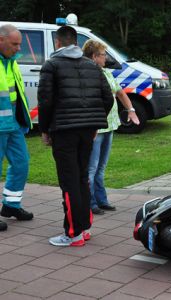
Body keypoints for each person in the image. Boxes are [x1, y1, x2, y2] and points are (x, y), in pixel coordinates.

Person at [38, 26, 114, 246]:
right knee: (82, 178)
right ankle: (83, 227)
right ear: (76, 42)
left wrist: (45, 129)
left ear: (58, 43)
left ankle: (73, 233)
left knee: (69, 182)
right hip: (87, 131)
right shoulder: (92, 66)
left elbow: (45, 101)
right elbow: (107, 98)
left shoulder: (51, 65)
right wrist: (95, 124)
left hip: (64, 131)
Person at [82, 39, 139, 215]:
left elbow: (120, 93)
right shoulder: (86, 74)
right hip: (97, 128)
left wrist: (131, 110)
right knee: (91, 168)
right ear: (93, 57)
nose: (105, 58)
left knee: (101, 167)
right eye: (102, 55)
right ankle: (90, 203)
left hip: (110, 126)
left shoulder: (107, 73)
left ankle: (101, 200)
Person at [0, 24, 34, 231]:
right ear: (0, 40)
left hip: (12, 123)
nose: (18, 48)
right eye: (15, 44)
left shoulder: (11, 61)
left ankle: (11, 205)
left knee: (21, 164)